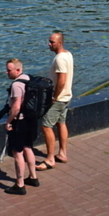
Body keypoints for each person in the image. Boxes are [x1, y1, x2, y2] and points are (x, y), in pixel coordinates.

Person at [36, 31, 73, 171]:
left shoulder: (59, 59)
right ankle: (62, 153)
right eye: (49, 41)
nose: (49, 44)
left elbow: (61, 80)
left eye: (52, 42)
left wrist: (54, 97)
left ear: (60, 43)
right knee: (61, 123)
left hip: (59, 99)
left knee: (46, 126)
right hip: (67, 97)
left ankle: (50, 159)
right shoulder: (68, 54)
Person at [3, 59, 40, 195]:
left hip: (20, 122)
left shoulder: (16, 85)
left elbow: (16, 106)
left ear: (18, 70)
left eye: (9, 70)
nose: (6, 72)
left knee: (17, 152)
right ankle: (33, 177)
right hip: (31, 120)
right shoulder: (28, 78)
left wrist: (8, 121)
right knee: (28, 147)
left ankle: (19, 185)